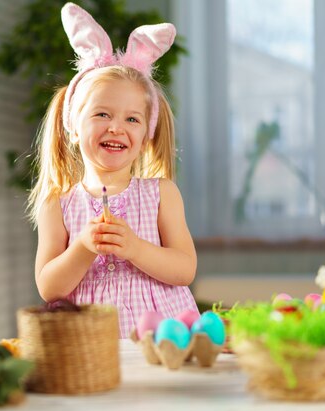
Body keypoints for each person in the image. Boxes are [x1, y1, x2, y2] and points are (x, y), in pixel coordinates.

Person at [29, 2, 198, 338]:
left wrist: (134, 247)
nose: (116, 128)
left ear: (145, 136)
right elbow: (49, 287)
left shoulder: (162, 194)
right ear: (74, 127)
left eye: (132, 119)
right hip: (90, 345)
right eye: (102, 114)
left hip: (161, 340)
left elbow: (185, 269)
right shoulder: (57, 203)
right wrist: (82, 246)